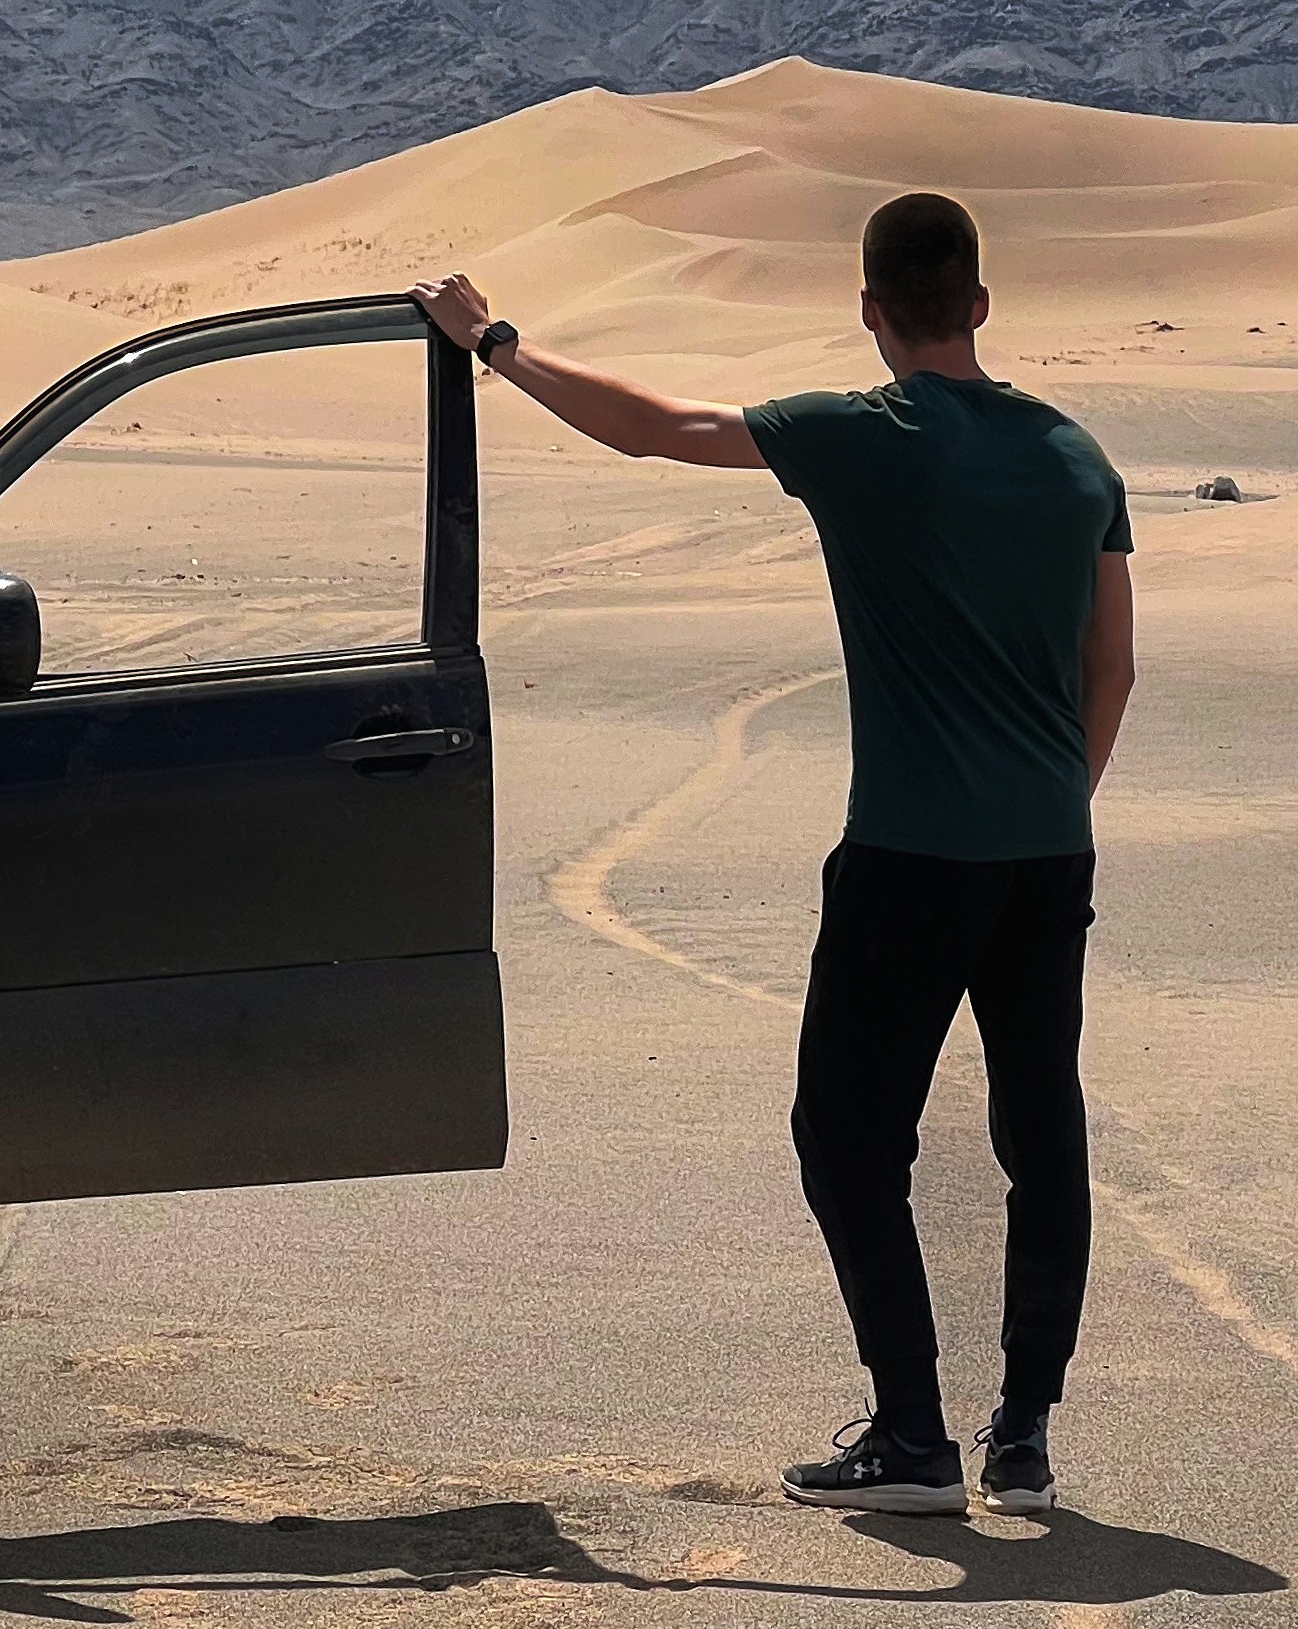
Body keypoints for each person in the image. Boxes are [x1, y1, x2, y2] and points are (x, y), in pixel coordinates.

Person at [415, 193, 1137, 1517]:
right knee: (1041, 1126)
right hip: (1046, 855)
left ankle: (913, 1432)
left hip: (911, 854)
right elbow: (1113, 664)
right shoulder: (1077, 458)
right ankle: (1021, 1431)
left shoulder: (855, 436)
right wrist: (1047, 799)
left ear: (870, 313)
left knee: (846, 1133)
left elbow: (654, 428)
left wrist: (494, 343)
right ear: (978, 303)